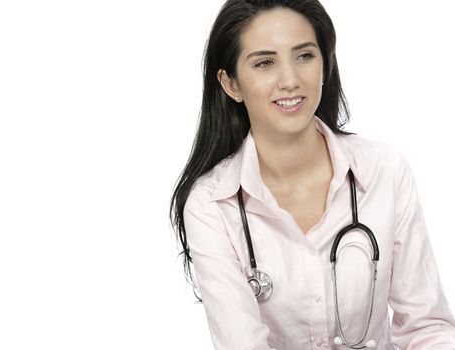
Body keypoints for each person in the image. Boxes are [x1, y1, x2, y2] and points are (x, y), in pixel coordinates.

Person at [169, 0, 455, 349]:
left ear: (325, 65)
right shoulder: (211, 204)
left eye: (304, 56)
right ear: (231, 84)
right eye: (265, 63)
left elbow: (426, 329)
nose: (290, 80)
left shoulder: (385, 171)